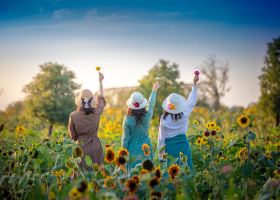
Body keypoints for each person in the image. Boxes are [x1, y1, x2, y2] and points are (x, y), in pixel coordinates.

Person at [157, 74, 199, 170]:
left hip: (169, 148)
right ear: (180, 105)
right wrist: (194, 83)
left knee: (172, 173)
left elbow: (161, 139)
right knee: (186, 171)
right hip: (183, 146)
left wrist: (161, 157)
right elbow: (191, 101)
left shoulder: (163, 119)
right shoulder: (185, 114)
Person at [68, 72, 106, 170]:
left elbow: (73, 136)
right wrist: (100, 82)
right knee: (97, 176)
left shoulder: (73, 115)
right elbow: (101, 98)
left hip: (81, 149)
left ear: (80, 101)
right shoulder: (96, 112)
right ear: (92, 100)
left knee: (82, 178)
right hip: (96, 148)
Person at [121, 81, 160, 170]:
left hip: (132, 150)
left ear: (131, 105)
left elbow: (125, 139)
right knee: (147, 173)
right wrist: (154, 90)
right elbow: (151, 105)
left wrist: (122, 156)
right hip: (146, 148)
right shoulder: (147, 116)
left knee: (134, 174)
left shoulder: (127, 120)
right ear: (142, 104)